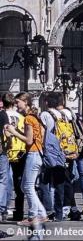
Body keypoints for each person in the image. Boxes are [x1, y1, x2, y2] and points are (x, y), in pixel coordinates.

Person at [5, 92, 47, 226]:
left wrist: (13, 132)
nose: (16, 105)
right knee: (25, 186)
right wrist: (17, 130)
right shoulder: (34, 117)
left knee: (28, 186)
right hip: (36, 153)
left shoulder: (28, 118)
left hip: (33, 154)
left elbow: (29, 141)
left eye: (18, 102)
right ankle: (41, 213)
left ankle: (33, 216)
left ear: (26, 102)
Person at [40, 92, 81, 221]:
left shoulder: (45, 115)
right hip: (68, 149)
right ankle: (68, 209)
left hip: (54, 151)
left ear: (47, 102)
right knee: (65, 180)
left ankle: (52, 211)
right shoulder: (67, 113)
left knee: (48, 181)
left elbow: (43, 134)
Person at [2, 93, 26, 221]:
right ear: (13, 103)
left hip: (5, 151)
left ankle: (4, 209)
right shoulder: (21, 117)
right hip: (19, 152)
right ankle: (19, 211)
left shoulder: (2, 116)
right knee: (18, 183)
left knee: (4, 181)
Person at [0, 95, 11, 222]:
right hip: (1, 150)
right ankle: (1, 209)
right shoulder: (3, 114)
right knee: (3, 179)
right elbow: (7, 132)